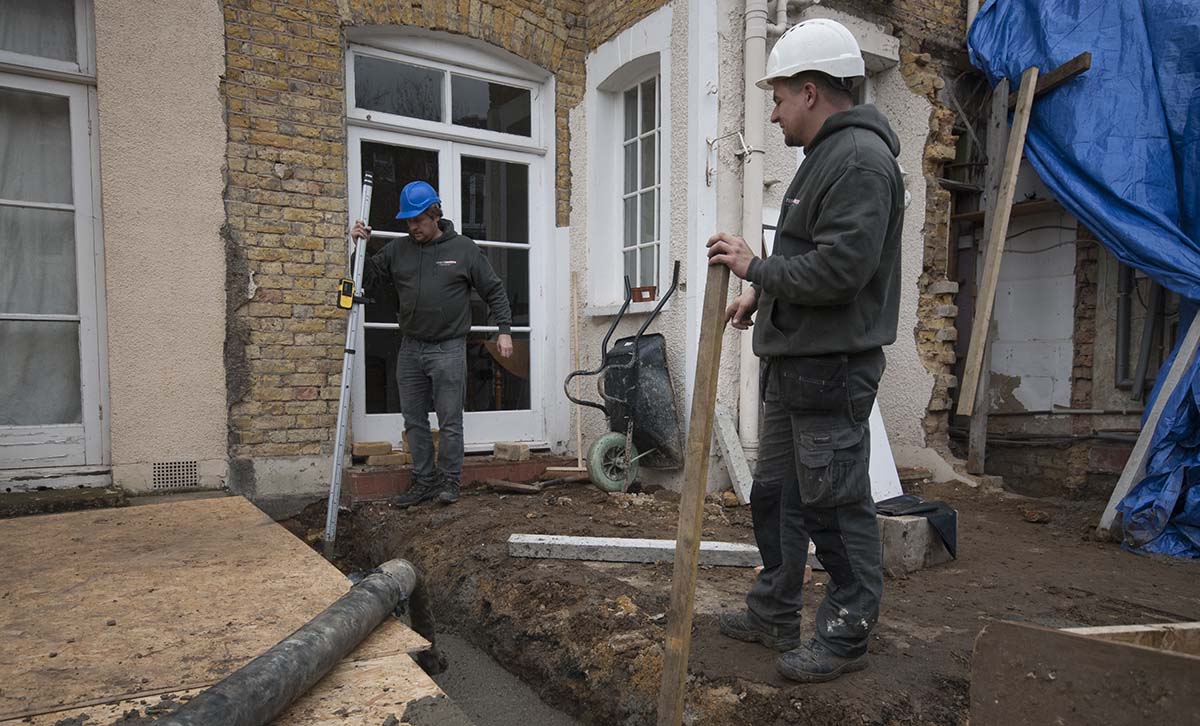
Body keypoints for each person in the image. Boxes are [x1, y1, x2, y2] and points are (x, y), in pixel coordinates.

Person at [705, 18, 904, 683]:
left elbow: (841, 272)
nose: (774, 109)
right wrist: (762, 296)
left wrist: (755, 272)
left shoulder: (859, 161)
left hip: (832, 368)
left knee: (835, 505)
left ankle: (847, 632)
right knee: (777, 495)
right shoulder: (822, 160)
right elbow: (809, 258)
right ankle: (775, 609)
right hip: (798, 364)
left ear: (813, 91)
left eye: (780, 95)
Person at [351, 180, 513, 508]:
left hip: (449, 348)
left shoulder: (464, 249)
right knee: (413, 419)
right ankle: (423, 481)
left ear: (435, 215)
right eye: (408, 222)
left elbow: (493, 290)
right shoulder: (398, 250)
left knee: (450, 419)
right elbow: (367, 280)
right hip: (410, 348)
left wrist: (505, 330)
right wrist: (360, 247)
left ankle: (449, 482)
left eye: (418, 221)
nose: (412, 227)